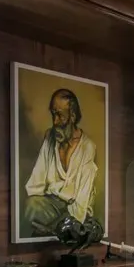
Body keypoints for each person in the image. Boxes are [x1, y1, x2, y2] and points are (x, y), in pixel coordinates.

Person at [23, 87, 99, 237]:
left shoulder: (87, 147)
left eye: (60, 115)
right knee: (31, 206)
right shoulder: (50, 138)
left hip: (76, 210)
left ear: (73, 116)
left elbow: (82, 203)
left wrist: (71, 222)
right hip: (51, 206)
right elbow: (35, 185)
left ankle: (61, 228)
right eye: (53, 114)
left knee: (74, 224)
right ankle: (59, 228)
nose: (55, 121)